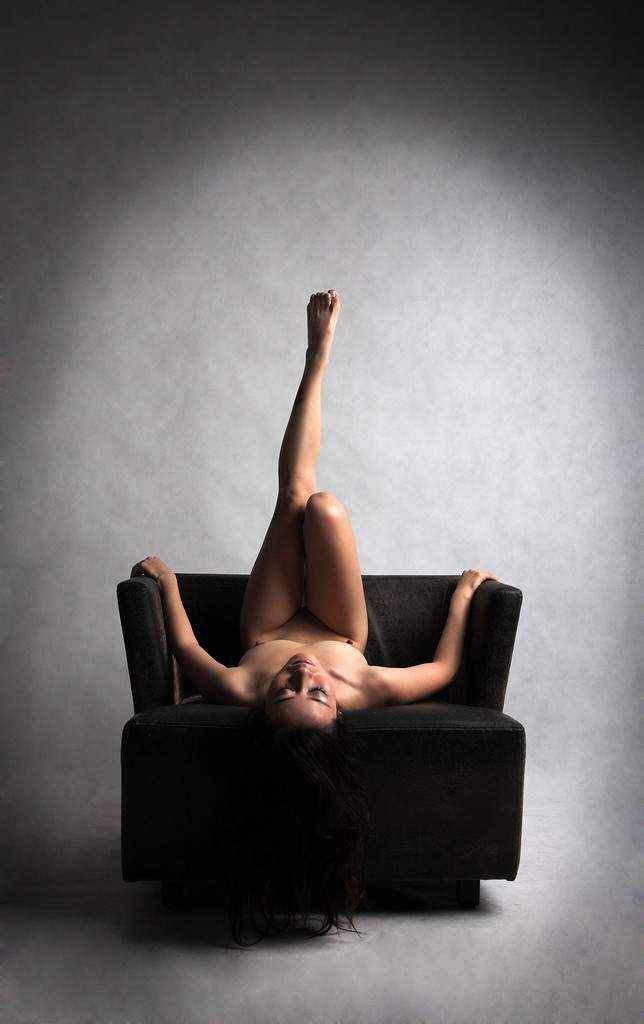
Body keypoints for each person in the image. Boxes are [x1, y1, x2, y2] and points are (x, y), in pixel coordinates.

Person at [131, 289, 498, 944]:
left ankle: (316, 361)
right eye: (317, 692)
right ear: (339, 710)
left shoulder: (242, 685)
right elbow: (443, 670)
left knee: (297, 498)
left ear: (263, 704)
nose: (303, 673)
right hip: (340, 625)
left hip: (266, 625)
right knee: (324, 509)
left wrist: (168, 585)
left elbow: (187, 650)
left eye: (286, 690)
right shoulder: (365, 687)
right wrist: (465, 596)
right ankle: (318, 362)